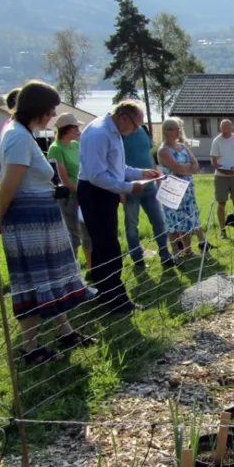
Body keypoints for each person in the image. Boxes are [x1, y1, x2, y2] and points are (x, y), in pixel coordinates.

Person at [0, 81, 93, 364]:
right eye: (50, 109)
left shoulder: (22, 133)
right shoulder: (18, 138)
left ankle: (65, 331)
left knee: (53, 276)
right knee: (35, 280)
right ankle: (31, 347)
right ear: (37, 108)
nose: (52, 115)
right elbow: (8, 184)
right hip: (29, 222)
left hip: (42, 217)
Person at [78, 101, 164, 313]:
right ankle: (116, 299)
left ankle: (106, 293)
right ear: (124, 117)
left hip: (105, 191)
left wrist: (141, 173)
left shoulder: (114, 133)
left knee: (104, 246)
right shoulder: (99, 134)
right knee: (108, 247)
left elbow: (117, 167)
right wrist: (127, 188)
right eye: (136, 125)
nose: (136, 131)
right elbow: (97, 175)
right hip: (95, 192)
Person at [122, 123, 175, 269]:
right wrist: (121, 190)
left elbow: (148, 155)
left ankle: (165, 255)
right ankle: (137, 258)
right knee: (132, 225)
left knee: (159, 221)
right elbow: (117, 164)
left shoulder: (143, 130)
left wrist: (156, 174)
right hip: (130, 187)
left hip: (150, 186)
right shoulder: (120, 134)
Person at [48, 112, 92, 271]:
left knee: (88, 233)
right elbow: (63, 177)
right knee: (74, 235)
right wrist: (83, 191)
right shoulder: (56, 149)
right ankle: (72, 271)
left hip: (84, 195)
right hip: (70, 198)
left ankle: (91, 268)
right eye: (76, 128)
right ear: (67, 130)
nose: (78, 130)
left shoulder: (76, 145)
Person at [158, 118, 203, 259]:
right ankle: (176, 251)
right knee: (174, 220)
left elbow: (195, 164)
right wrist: (187, 168)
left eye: (178, 128)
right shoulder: (163, 150)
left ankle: (188, 251)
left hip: (187, 189)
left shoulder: (182, 146)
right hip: (172, 189)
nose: (176, 131)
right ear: (165, 131)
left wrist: (187, 169)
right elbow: (176, 168)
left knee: (187, 219)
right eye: (173, 129)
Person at [210, 119, 234, 238]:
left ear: (232, 128)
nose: (225, 131)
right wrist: (224, 171)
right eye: (222, 129)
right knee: (221, 204)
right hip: (221, 177)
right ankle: (222, 230)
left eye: (227, 128)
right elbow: (214, 163)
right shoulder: (217, 141)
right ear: (220, 129)